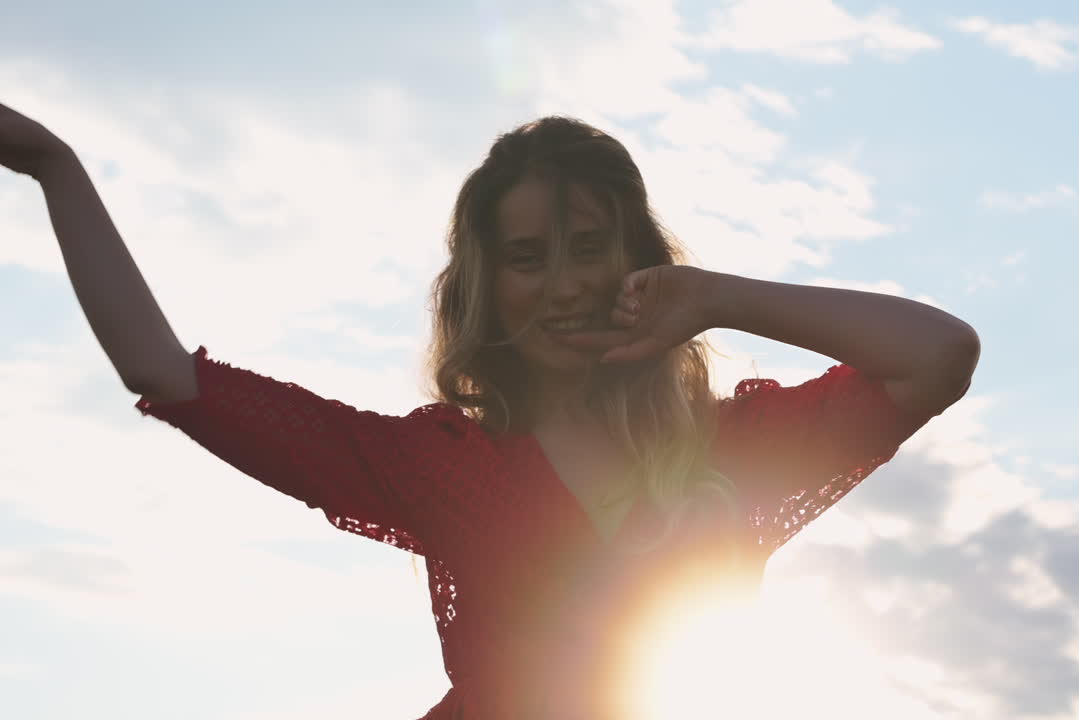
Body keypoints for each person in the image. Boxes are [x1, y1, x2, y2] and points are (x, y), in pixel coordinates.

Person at [2, 102, 980, 719]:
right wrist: (54, 164)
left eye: (587, 245)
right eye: (526, 258)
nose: (562, 285)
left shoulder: (732, 448)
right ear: (486, 283)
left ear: (633, 258)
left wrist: (719, 297)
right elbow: (166, 374)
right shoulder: (440, 464)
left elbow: (936, 357)